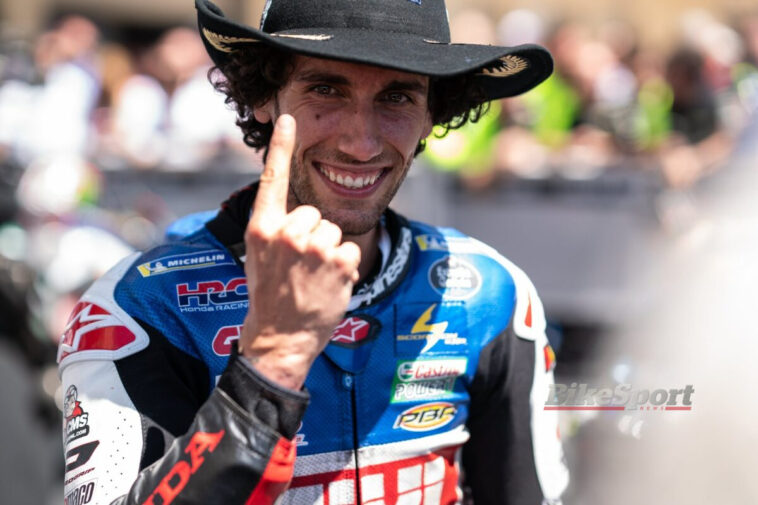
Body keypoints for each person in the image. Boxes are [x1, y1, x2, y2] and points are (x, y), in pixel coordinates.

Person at [57, 0, 569, 503]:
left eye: (397, 97)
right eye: (326, 89)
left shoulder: (489, 293)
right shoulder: (140, 308)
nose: (361, 143)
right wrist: (269, 367)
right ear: (263, 95)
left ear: (433, 112)